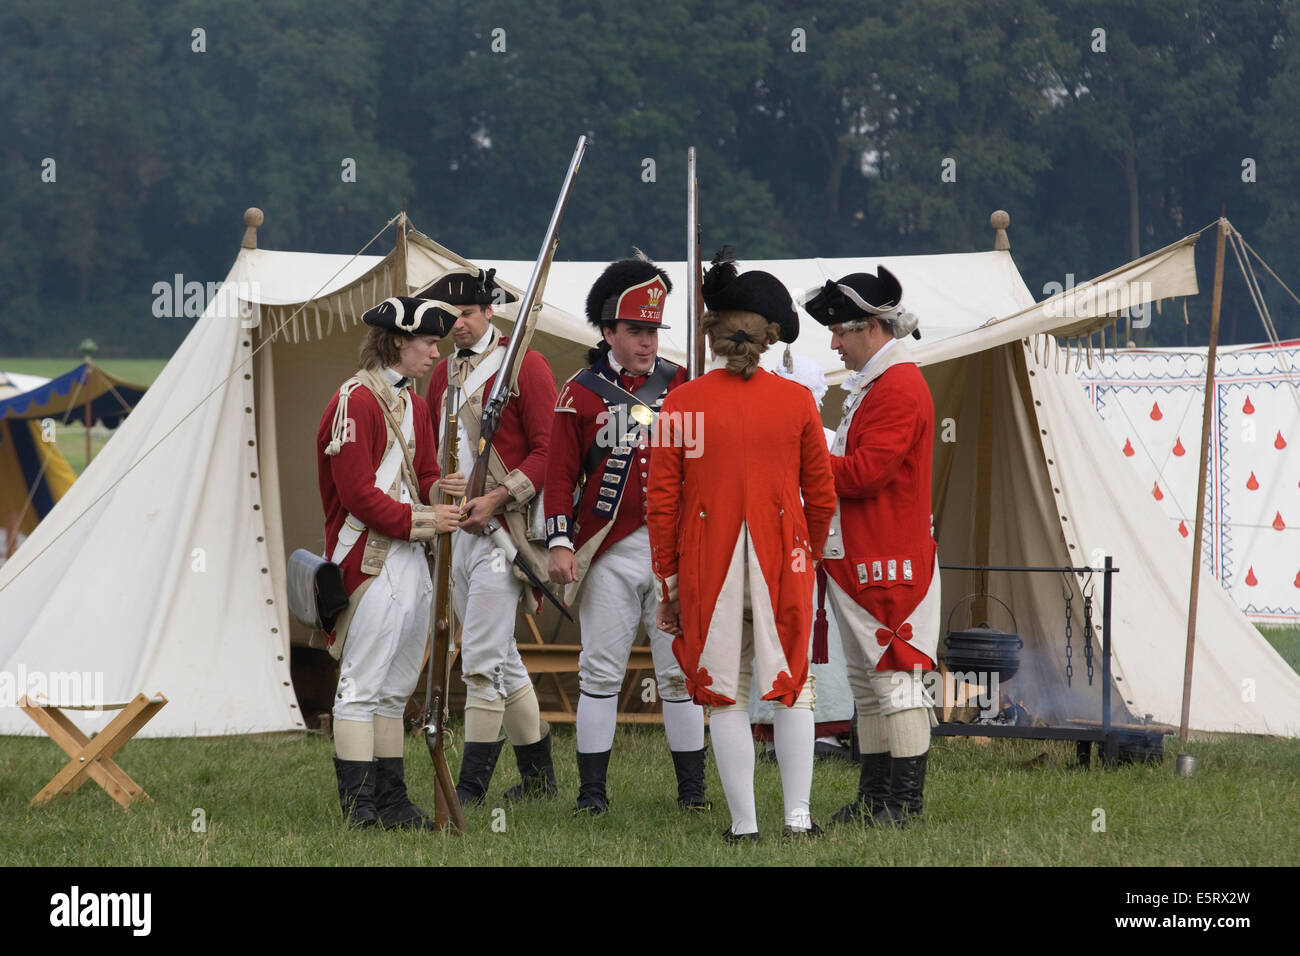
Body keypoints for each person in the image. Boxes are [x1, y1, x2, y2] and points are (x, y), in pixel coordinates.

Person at [647, 252, 836, 842]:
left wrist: (668, 579)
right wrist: (811, 551)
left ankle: (744, 824)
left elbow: (662, 502)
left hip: (708, 566)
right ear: (771, 337)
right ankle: (798, 818)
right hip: (786, 562)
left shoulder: (681, 403)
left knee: (724, 692)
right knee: (793, 689)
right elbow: (821, 495)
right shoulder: (798, 402)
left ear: (715, 332)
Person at [545, 254, 708, 816]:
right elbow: (560, 474)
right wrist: (560, 541)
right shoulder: (580, 392)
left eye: (653, 331)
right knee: (600, 671)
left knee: (680, 674)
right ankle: (592, 794)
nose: (647, 342)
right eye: (636, 331)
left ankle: (693, 793)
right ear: (609, 330)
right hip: (608, 550)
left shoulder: (686, 385)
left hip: (675, 551)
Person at [317, 295, 464, 829]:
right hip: (369, 558)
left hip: (409, 559)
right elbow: (357, 494)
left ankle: (392, 803)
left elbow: (421, 471)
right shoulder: (355, 402)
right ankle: (360, 811)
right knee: (360, 687)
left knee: (396, 685)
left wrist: (438, 489)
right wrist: (430, 521)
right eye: (428, 342)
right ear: (398, 341)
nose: (434, 354)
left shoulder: (416, 405)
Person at [801, 267, 939, 828]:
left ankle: (904, 806)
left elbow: (864, 475)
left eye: (840, 331)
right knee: (868, 682)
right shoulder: (878, 383)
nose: (834, 343)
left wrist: (804, 455)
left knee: (896, 681)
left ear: (871, 327)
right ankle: (878, 798)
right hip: (863, 557)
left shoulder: (900, 385)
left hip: (887, 560)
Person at [419, 266, 559, 807]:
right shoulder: (440, 375)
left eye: (467, 314)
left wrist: (498, 498)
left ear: (490, 312)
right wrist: (437, 486)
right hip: (453, 530)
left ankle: (469, 792)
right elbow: (428, 456)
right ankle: (541, 781)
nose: (458, 325)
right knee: (500, 656)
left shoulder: (525, 366)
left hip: (505, 531)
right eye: (451, 316)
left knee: (480, 660)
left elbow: (550, 455)